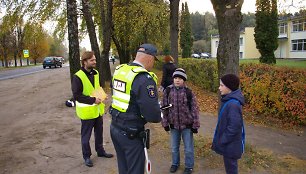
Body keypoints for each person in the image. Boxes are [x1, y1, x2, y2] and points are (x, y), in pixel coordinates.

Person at [110, 43, 161, 174]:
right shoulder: (144, 78)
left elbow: (121, 95)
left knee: (124, 168)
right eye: (154, 60)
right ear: (150, 58)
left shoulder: (120, 70)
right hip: (131, 134)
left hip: (115, 127)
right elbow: (153, 115)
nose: (153, 64)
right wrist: (159, 112)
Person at [72, 51, 113, 167]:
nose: (95, 62)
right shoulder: (78, 76)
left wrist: (102, 95)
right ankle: (87, 156)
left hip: (98, 110)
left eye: (95, 60)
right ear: (84, 62)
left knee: (99, 133)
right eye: (92, 60)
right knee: (86, 136)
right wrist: (93, 100)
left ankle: (100, 151)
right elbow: (77, 96)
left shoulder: (96, 73)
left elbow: (98, 87)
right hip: (86, 112)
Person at [161, 68, 200, 174]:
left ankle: (189, 166)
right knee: (174, 147)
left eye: (180, 78)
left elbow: (195, 109)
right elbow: (164, 107)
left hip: (187, 126)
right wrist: (165, 123)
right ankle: (175, 163)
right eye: (176, 78)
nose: (177, 80)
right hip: (173, 125)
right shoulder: (168, 91)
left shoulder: (189, 92)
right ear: (173, 79)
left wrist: (195, 125)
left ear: (184, 80)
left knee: (188, 149)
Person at [211, 74, 245, 174]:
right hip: (229, 145)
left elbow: (234, 128)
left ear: (229, 87)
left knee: (231, 170)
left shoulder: (233, 104)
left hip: (231, 146)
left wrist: (222, 140)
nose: (219, 88)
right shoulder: (229, 101)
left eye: (221, 85)